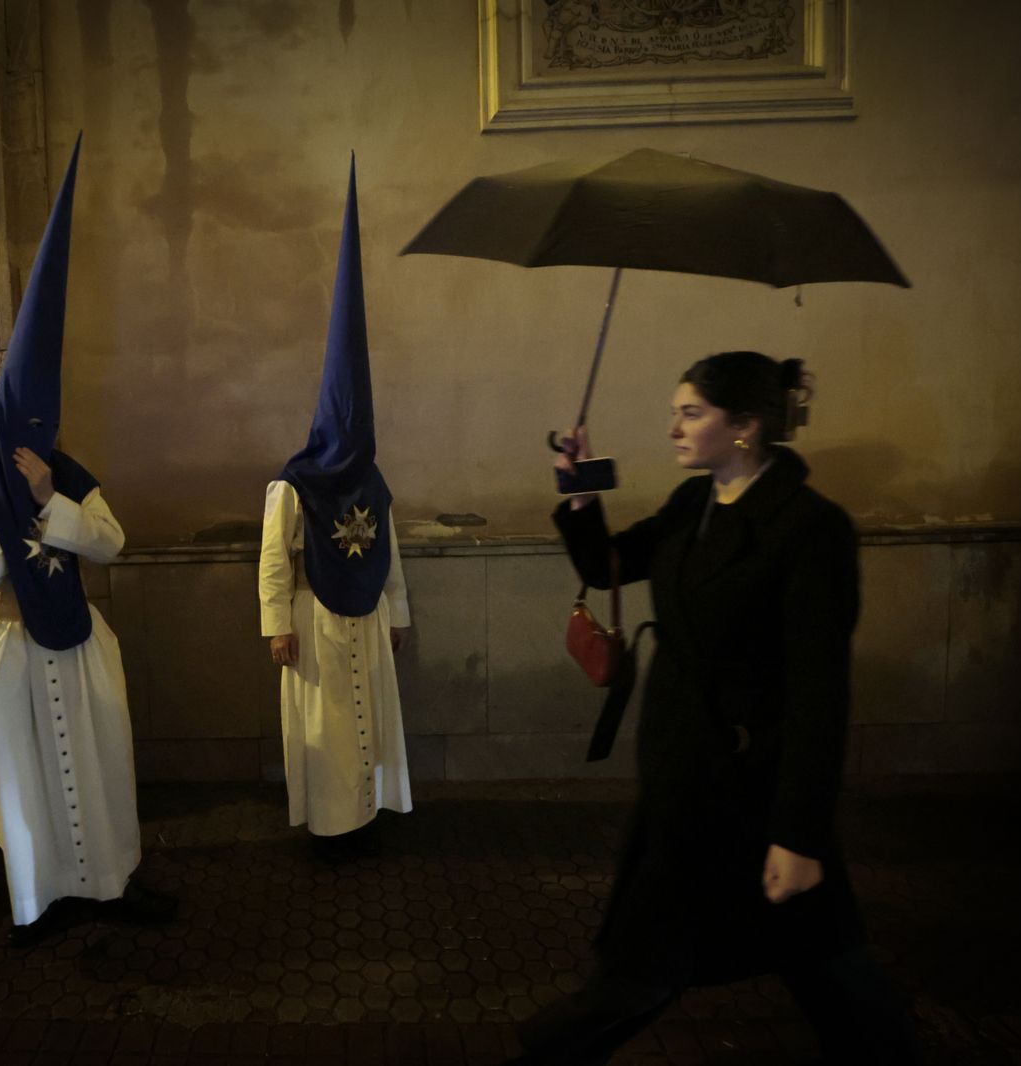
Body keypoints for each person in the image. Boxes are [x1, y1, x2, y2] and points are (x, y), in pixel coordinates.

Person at [509, 352, 916, 1066]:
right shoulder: (692, 503)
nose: (673, 428)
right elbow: (606, 566)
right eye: (676, 412)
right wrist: (580, 487)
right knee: (812, 953)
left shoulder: (810, 527)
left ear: (746, 426)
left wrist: (798, 836)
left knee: (665, 954)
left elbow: (819, 693)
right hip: (684, 762)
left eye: (691, 413)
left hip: (751, 781)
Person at [0, 135, 174, 948]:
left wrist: (49, 498)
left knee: (100, 766)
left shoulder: (67, 475)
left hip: (75, 640)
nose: (35, 442)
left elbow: (109, 543)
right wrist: (14, 505)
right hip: (7, 647)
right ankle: (38, 902)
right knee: (25, 777)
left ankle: (111, 884)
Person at [258, 157, 412, 855]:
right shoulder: (293, 484)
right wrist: (275, 626)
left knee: (367, 718)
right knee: (326, 724)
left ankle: (368, 817)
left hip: (367, 615)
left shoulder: (371, 480)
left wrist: (398, 611)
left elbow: (389, 548)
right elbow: (273, 557)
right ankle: (330, 828)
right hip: (313, 618)